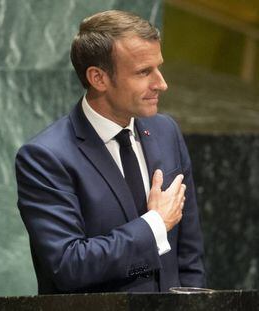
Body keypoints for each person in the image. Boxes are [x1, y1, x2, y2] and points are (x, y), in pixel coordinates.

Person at [15, 10, 205, 294]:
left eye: (159, 67)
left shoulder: (166, 132)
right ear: (98, 78)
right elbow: (69, 265)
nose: (161, 84)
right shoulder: (45, 157)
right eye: (144, 72)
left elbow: (189, 255)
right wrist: (154, 223)